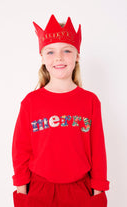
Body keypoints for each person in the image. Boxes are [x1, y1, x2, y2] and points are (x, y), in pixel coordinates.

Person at [12, 14, 110, 207]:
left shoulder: (90, 101)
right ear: (42, 58)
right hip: (40, 191)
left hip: (80, 191)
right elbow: (20, 150)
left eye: (66, 50)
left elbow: (98, 150)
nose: (58, 57)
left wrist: (98, 192)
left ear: (77, 56)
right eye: (50, 52)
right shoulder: (31, 102)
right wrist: (21, 193)